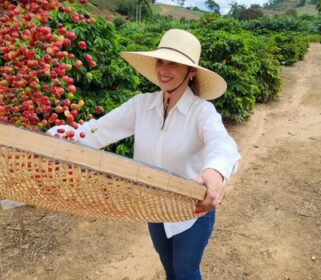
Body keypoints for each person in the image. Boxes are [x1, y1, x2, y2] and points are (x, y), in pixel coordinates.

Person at [48, 29, 240, 280]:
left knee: (185, 272)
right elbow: (97, 131)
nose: (164, 69)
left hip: (191, 211)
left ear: (190, 72)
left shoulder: (201, 112)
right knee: (169, 267)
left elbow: (222, 143)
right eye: (160, 61)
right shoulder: (142, 105)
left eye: (174, 63)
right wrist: (55, 139)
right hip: (154, 205)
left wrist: (214, 171)